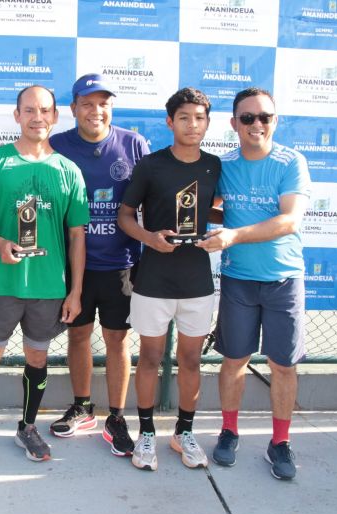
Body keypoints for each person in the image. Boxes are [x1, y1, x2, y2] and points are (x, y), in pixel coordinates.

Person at [0, 85, 90, 468]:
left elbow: (77, 235)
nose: (37, 117)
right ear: (17, 116)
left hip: (48, 287)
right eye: (29, 110)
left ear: (56, 116)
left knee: (37, 357)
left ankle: (27, 427)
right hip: (2, 284)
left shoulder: (68, 170)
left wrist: (75, 291)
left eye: (45, 110)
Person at [197, 87, 311, 481]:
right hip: (238, 281)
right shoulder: (224, 165)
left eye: (265, 117)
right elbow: (205, 205)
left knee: (283, 365)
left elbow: (289, 220)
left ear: (275, 121)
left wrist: (233, 235)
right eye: (247, 118)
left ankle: (280, 442)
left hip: (283, 280)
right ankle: (229, 432)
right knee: (234, 360)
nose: (257, 124)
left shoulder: (291, 161)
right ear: (233, 124)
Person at [117, 88, 220, 471]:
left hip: (197, 282)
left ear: (208, 122)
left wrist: (217, 233)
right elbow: (125, 216)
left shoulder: (214, 166)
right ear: (170, 122)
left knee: (191, 360)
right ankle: (146, 434)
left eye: (199, 118)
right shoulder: (152, 165)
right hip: (154, 280)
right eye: (184, 117)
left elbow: (220, 211)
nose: (192, 125)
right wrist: (149, 239)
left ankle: (184, 432)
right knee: (150, 357)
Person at [47, 74, 149, 457]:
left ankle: (118, 415)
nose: (96, 110)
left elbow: (148, 202)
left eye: (103, 102)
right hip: (73, 265)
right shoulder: (57, 146)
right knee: (77, 336)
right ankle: (83, 405)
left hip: (120, 263)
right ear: (73, 109)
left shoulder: (133, 144)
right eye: (87, 103)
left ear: (112, 107)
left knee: (117, 340)